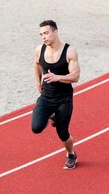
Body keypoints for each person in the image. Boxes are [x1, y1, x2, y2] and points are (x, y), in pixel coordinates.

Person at [31, 20, 80, 169]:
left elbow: (76, 76)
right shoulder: (40, 50)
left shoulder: (69, 51)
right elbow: (37, 64)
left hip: (63, 98)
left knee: (63, 133)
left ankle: (71, 154)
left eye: (46, 33)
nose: (43, 37)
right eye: (41, 34)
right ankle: (51, 115)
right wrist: (38, 83)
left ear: (55, 32)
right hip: (46, 96)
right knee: (36, 127)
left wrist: (58, 77)